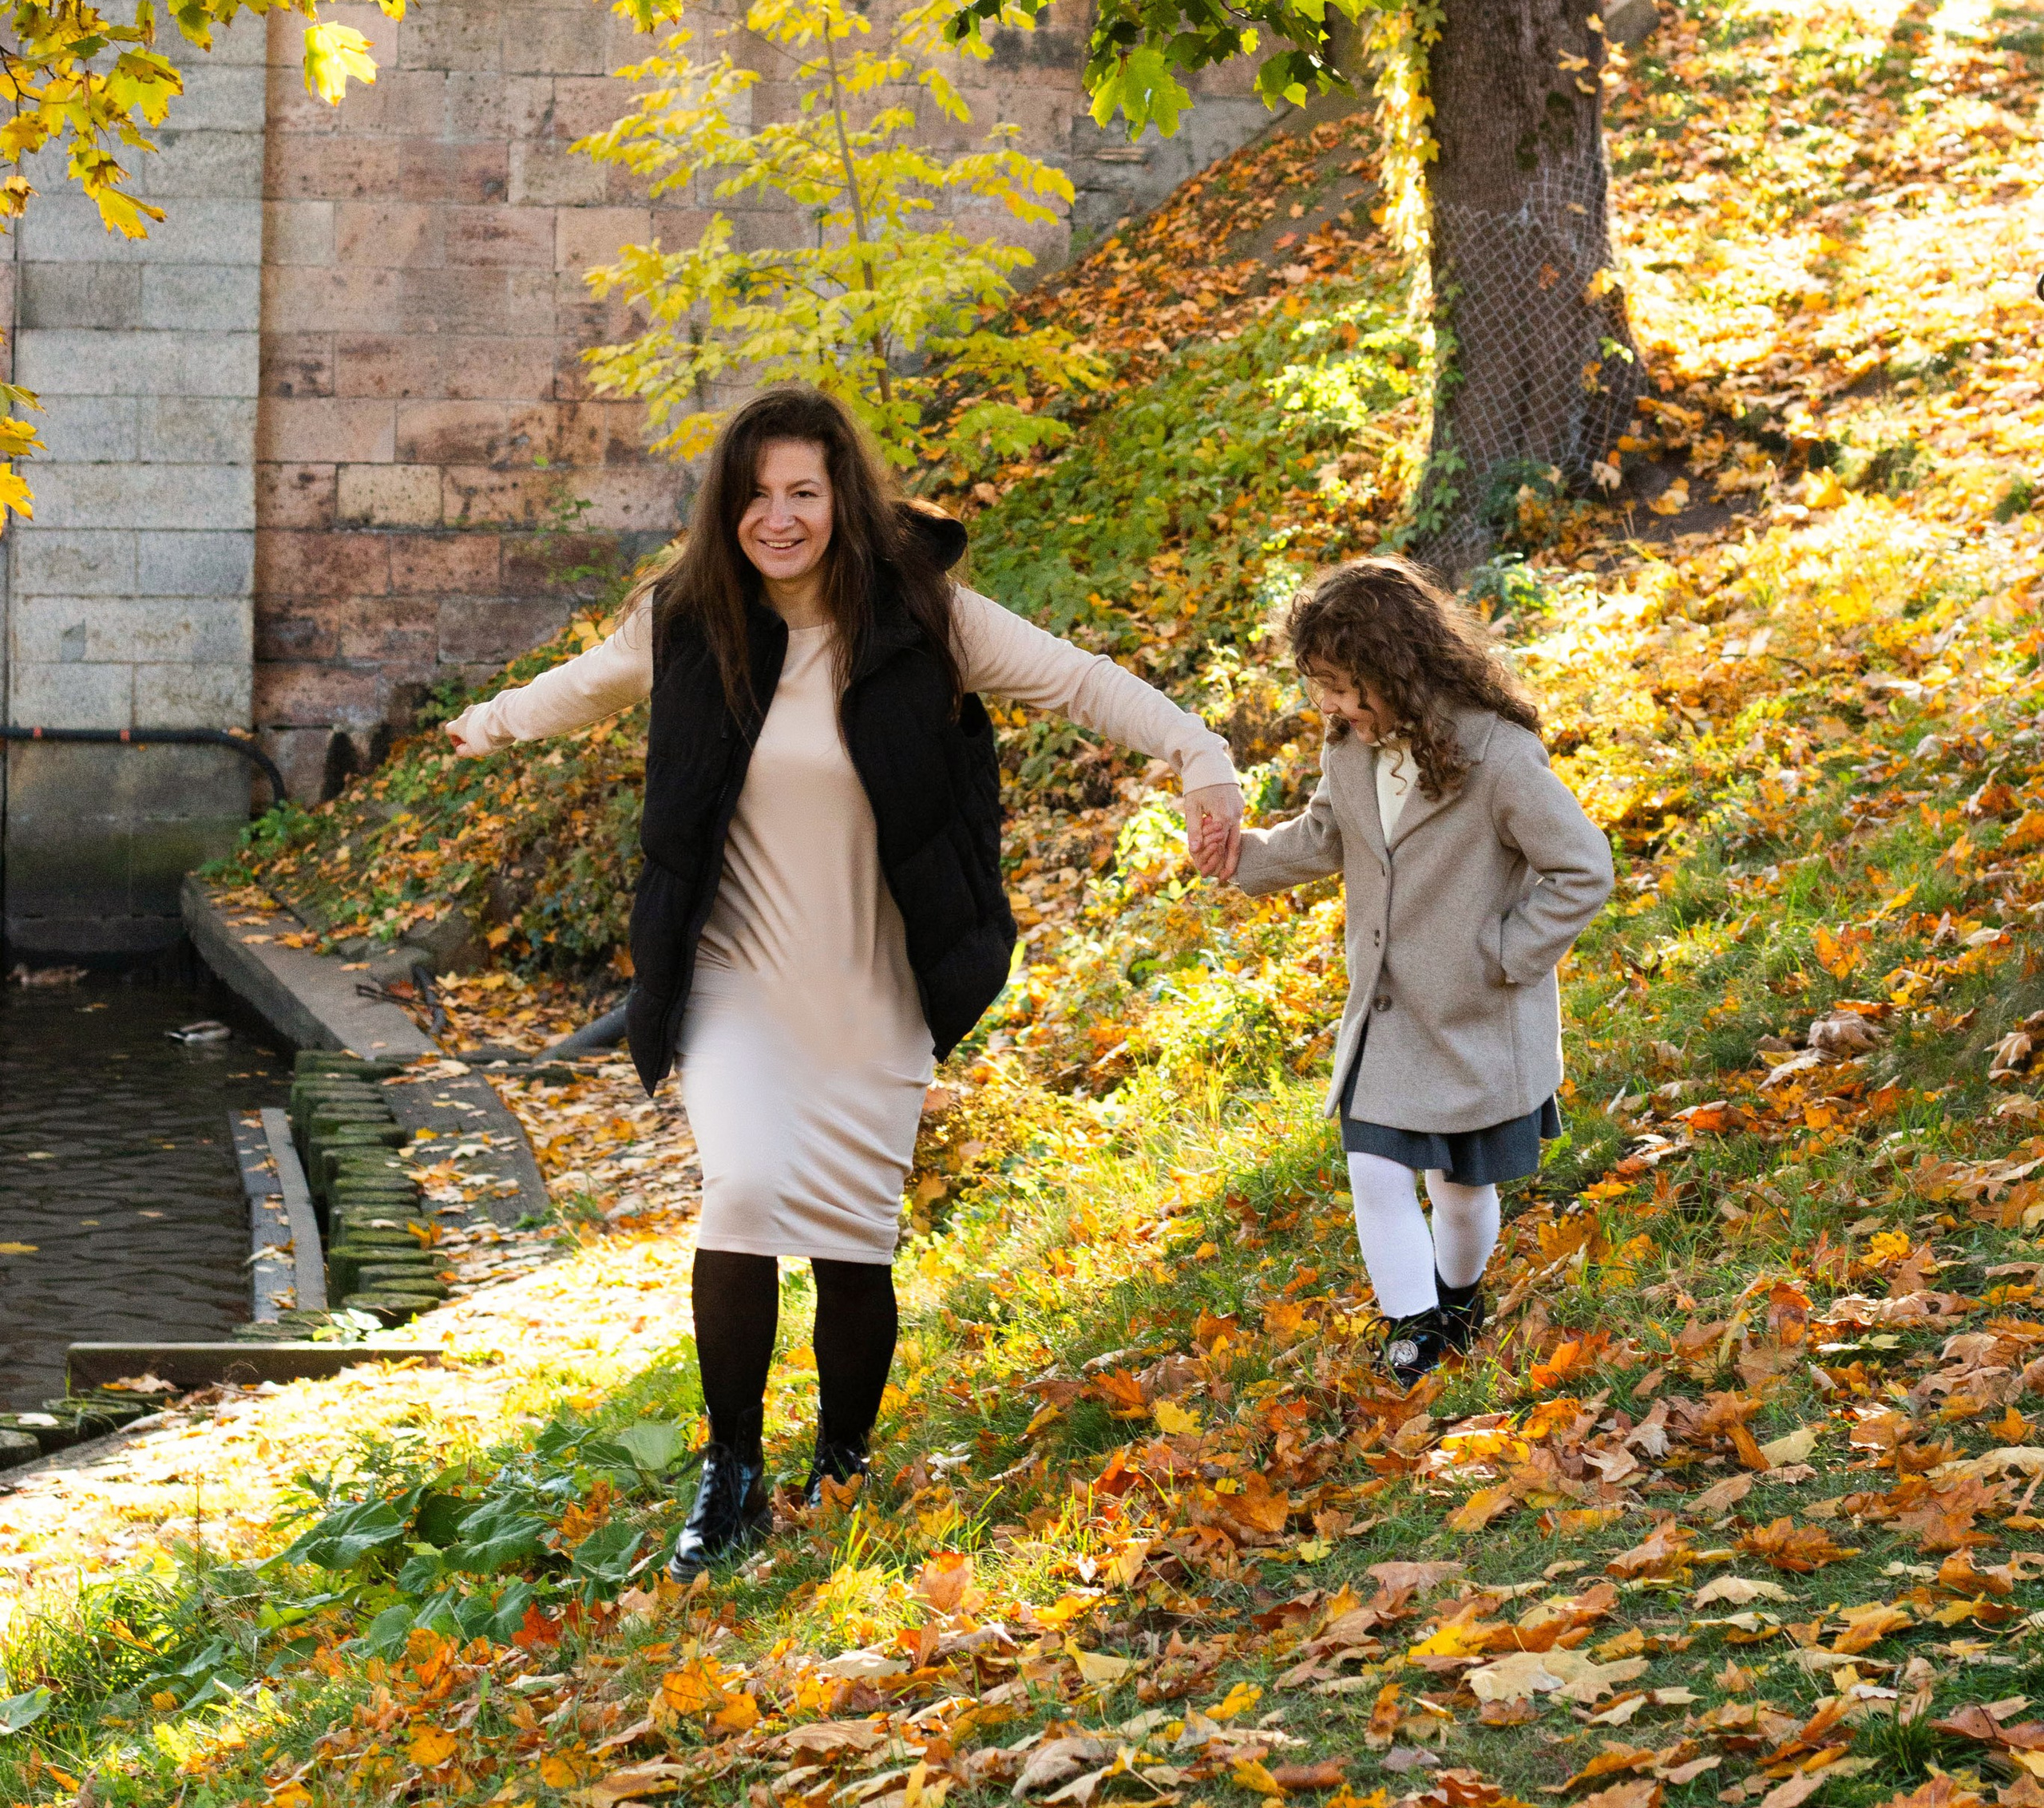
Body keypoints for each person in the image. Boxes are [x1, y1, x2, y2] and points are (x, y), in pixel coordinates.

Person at [446, 384, 1243, 1568]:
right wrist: (492, 723)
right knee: (748, 1192)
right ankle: (731, 1478)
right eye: (757, 495)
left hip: (877, 974)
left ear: (842, 501)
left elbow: (1079, 681)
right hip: (735, 976)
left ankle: (844, 1466)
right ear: (728, 508)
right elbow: (587, 688)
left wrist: (1203, 751)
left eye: (803, 493)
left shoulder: (923, 620)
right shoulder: (688, 619)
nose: (779, 517)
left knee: (855, 1236)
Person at [1214, 556, 1612, 1387]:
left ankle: (1457, 1298)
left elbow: (1582, 868)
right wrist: (1239, 858)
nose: (1327, 703)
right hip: (1388, 1018)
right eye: (1318, 684)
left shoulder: (1496, 758)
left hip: (1474, 1020)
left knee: (1461, 1194)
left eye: (1343, 685)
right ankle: (1412, 1330)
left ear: (1397, 668)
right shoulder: (1349, 753)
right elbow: (1327, 835)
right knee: (1374, 1170)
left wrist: (1505, 956)